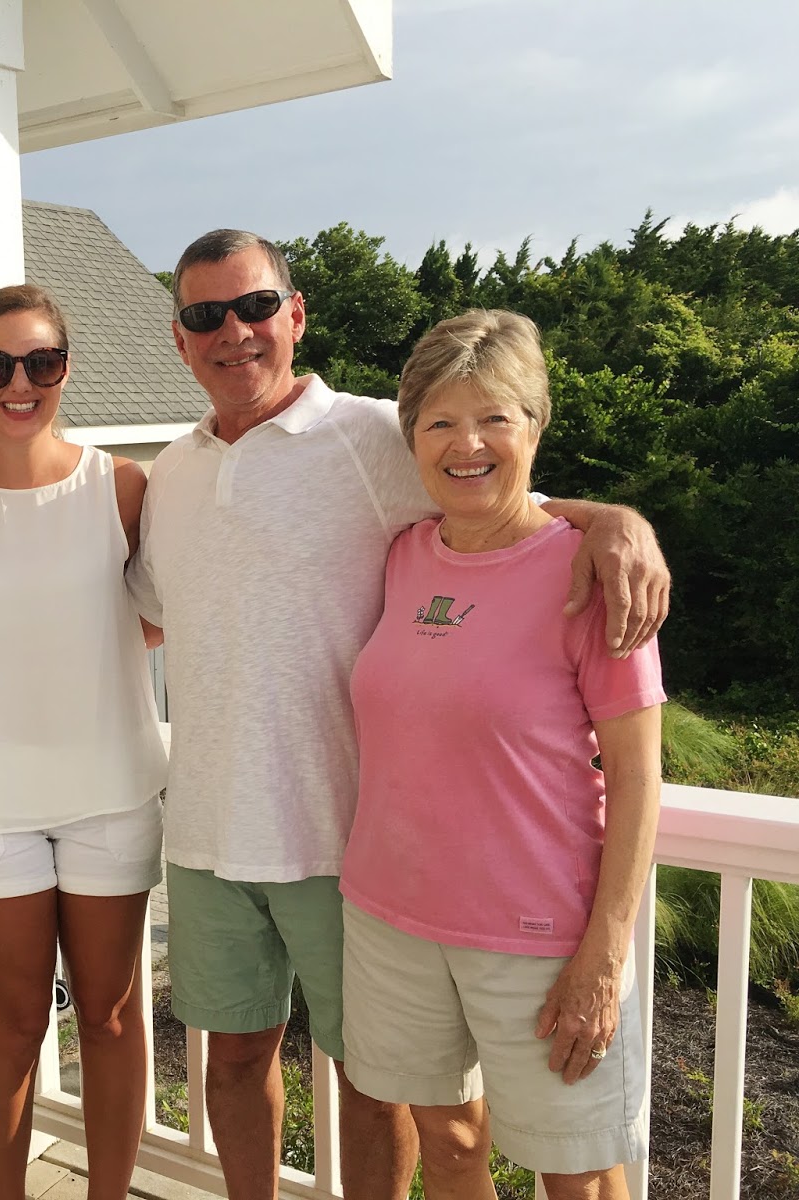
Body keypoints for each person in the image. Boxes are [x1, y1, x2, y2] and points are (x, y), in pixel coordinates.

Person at [126, 229, 670, 1200]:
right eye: (206, 314)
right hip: (223, 837)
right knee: (244, 1064)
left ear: (295, 315)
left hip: (344, 844)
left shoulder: (373, 433)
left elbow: (503, 494)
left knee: (390, 1097)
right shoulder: (171, 471)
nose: (233, 331)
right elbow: (153, 613)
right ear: (178, 337)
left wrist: (618, 521)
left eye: (255, 306)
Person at [339, 309, 663, 1200]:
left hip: (541, 937)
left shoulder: (595, 576)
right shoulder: (405, 553)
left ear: (536, 425)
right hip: (391, 918)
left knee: (579, 1174)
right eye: (440, 422)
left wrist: (606, 949)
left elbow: (638, 778)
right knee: (447, 1141)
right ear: (412, 438)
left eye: (494, 418)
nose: (467, 443)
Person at [0, 285, 169, 1200]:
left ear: (65, 368)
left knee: (110, 1017)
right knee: (14, 1024)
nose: (20, 384)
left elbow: (161, 611)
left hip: (111, 791)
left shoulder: (122, 487)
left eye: (40, 362)